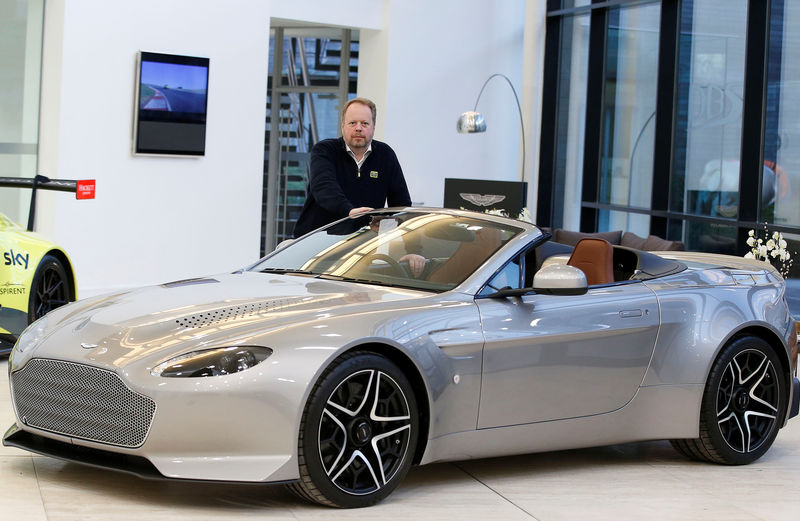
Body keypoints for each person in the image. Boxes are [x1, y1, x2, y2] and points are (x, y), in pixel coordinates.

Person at [293, 97, 424, 275]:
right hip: (315, 248)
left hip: (361, 250)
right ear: (342, 126)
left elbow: (401, 205)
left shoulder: (385, 155)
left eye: (365, 123)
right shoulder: (325, 151)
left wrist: (413, 250)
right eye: (352, 122)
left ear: (373, 127)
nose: (358, 128)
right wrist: (350, 212)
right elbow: (323, 188)